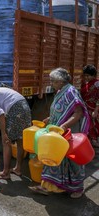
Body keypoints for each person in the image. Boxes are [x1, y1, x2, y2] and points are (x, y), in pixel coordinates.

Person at [28, 68, 90, 199]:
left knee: (72, 161)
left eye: (53, 81)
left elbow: (78, 112)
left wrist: (64, 125)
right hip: (57, 132)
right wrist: (50, 119)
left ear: (61, 81)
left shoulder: (71, 92)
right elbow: (60, 110)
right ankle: (48, 187)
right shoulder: (61, 91)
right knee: (54, 158)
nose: (51, 83)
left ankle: (78, 188)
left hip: (69, 132)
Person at [80, 64, 99, 148]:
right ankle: (90, 141)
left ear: (94, 75)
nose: (86, 77)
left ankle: (94, 140)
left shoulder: (97, 84)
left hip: (94, 109)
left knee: (94, 124)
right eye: (85, 76)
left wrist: (96, 110)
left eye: (88, 76)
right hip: (86, 108)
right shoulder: (86, 84)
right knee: (87, 124)